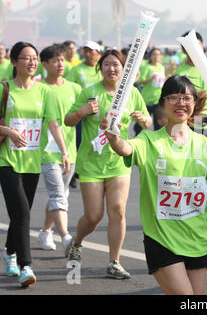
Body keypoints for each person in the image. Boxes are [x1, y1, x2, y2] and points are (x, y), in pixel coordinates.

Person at [103, 75, 207, 295]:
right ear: (163, 103)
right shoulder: (149, 141)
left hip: (198, 239)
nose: (180, 103)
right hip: (162, 239)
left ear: (195, 104)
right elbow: (125, 148)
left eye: (186, 98)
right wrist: (113, 136)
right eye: (173, 98)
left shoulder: (204, 144)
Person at [65, 49, 152, 279]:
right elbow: (68, 119)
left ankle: (114, 261)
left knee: (118, 211)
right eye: (107, 64)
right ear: (100, 68)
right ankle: (77, 242)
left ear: (124, 69)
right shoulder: (90, 92)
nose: (112, 69)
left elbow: (148, 120)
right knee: (94, 216)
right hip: (92, 162)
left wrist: (143, 119)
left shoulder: (131, 93)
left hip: (118, 161)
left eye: (116, 65)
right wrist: (82, 112)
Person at [0, 42, 69, 288]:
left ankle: (9, 251)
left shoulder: (44, 92)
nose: (31, 62)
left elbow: (53, 123)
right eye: (26, 58)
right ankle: (25, 265)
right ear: (14, 61)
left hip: (31, 161)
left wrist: (64, 151)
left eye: (35, 57)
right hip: (6, 160)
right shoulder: (4, 89)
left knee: (20, 213)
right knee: (23, 212)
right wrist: (8, 131)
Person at [175, 31, 207, 225]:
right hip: (190, 127)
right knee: (192, 172)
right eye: (189, 46)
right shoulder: (181, 72)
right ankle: (191, 209)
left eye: (197, 45)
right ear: (183, 49)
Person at [38, 45, 81, 255]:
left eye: (62, 60)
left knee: (61, 194)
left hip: (70, 149)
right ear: (44, 64)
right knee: (57, 193)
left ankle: (46, 230)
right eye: (55, 61)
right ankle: (66, 238)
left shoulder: (74, 88)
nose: (61, 64)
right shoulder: (40, 88)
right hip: (48, 150)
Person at [66, 41, 104, 188]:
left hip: (100, 113)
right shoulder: (76, 70)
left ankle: (95, 169)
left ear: (98, 54)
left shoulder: (103, 70)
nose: (88, 54)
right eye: (86, 51)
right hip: (82, 112)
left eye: (91, 51)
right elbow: (68, 87)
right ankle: (77, 172)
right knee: (80, 141)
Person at [136, 47, 166, 133]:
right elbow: (139, 82)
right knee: (140, 124)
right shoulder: (147, 67)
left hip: (158, 100)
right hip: (147, 100)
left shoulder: (161, 67)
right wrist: (151, 78)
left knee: (158, 124)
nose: (156, 56)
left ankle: (156, 143)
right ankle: (136, 138)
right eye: (154, 54)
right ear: (150, 56)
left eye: (158, 54)